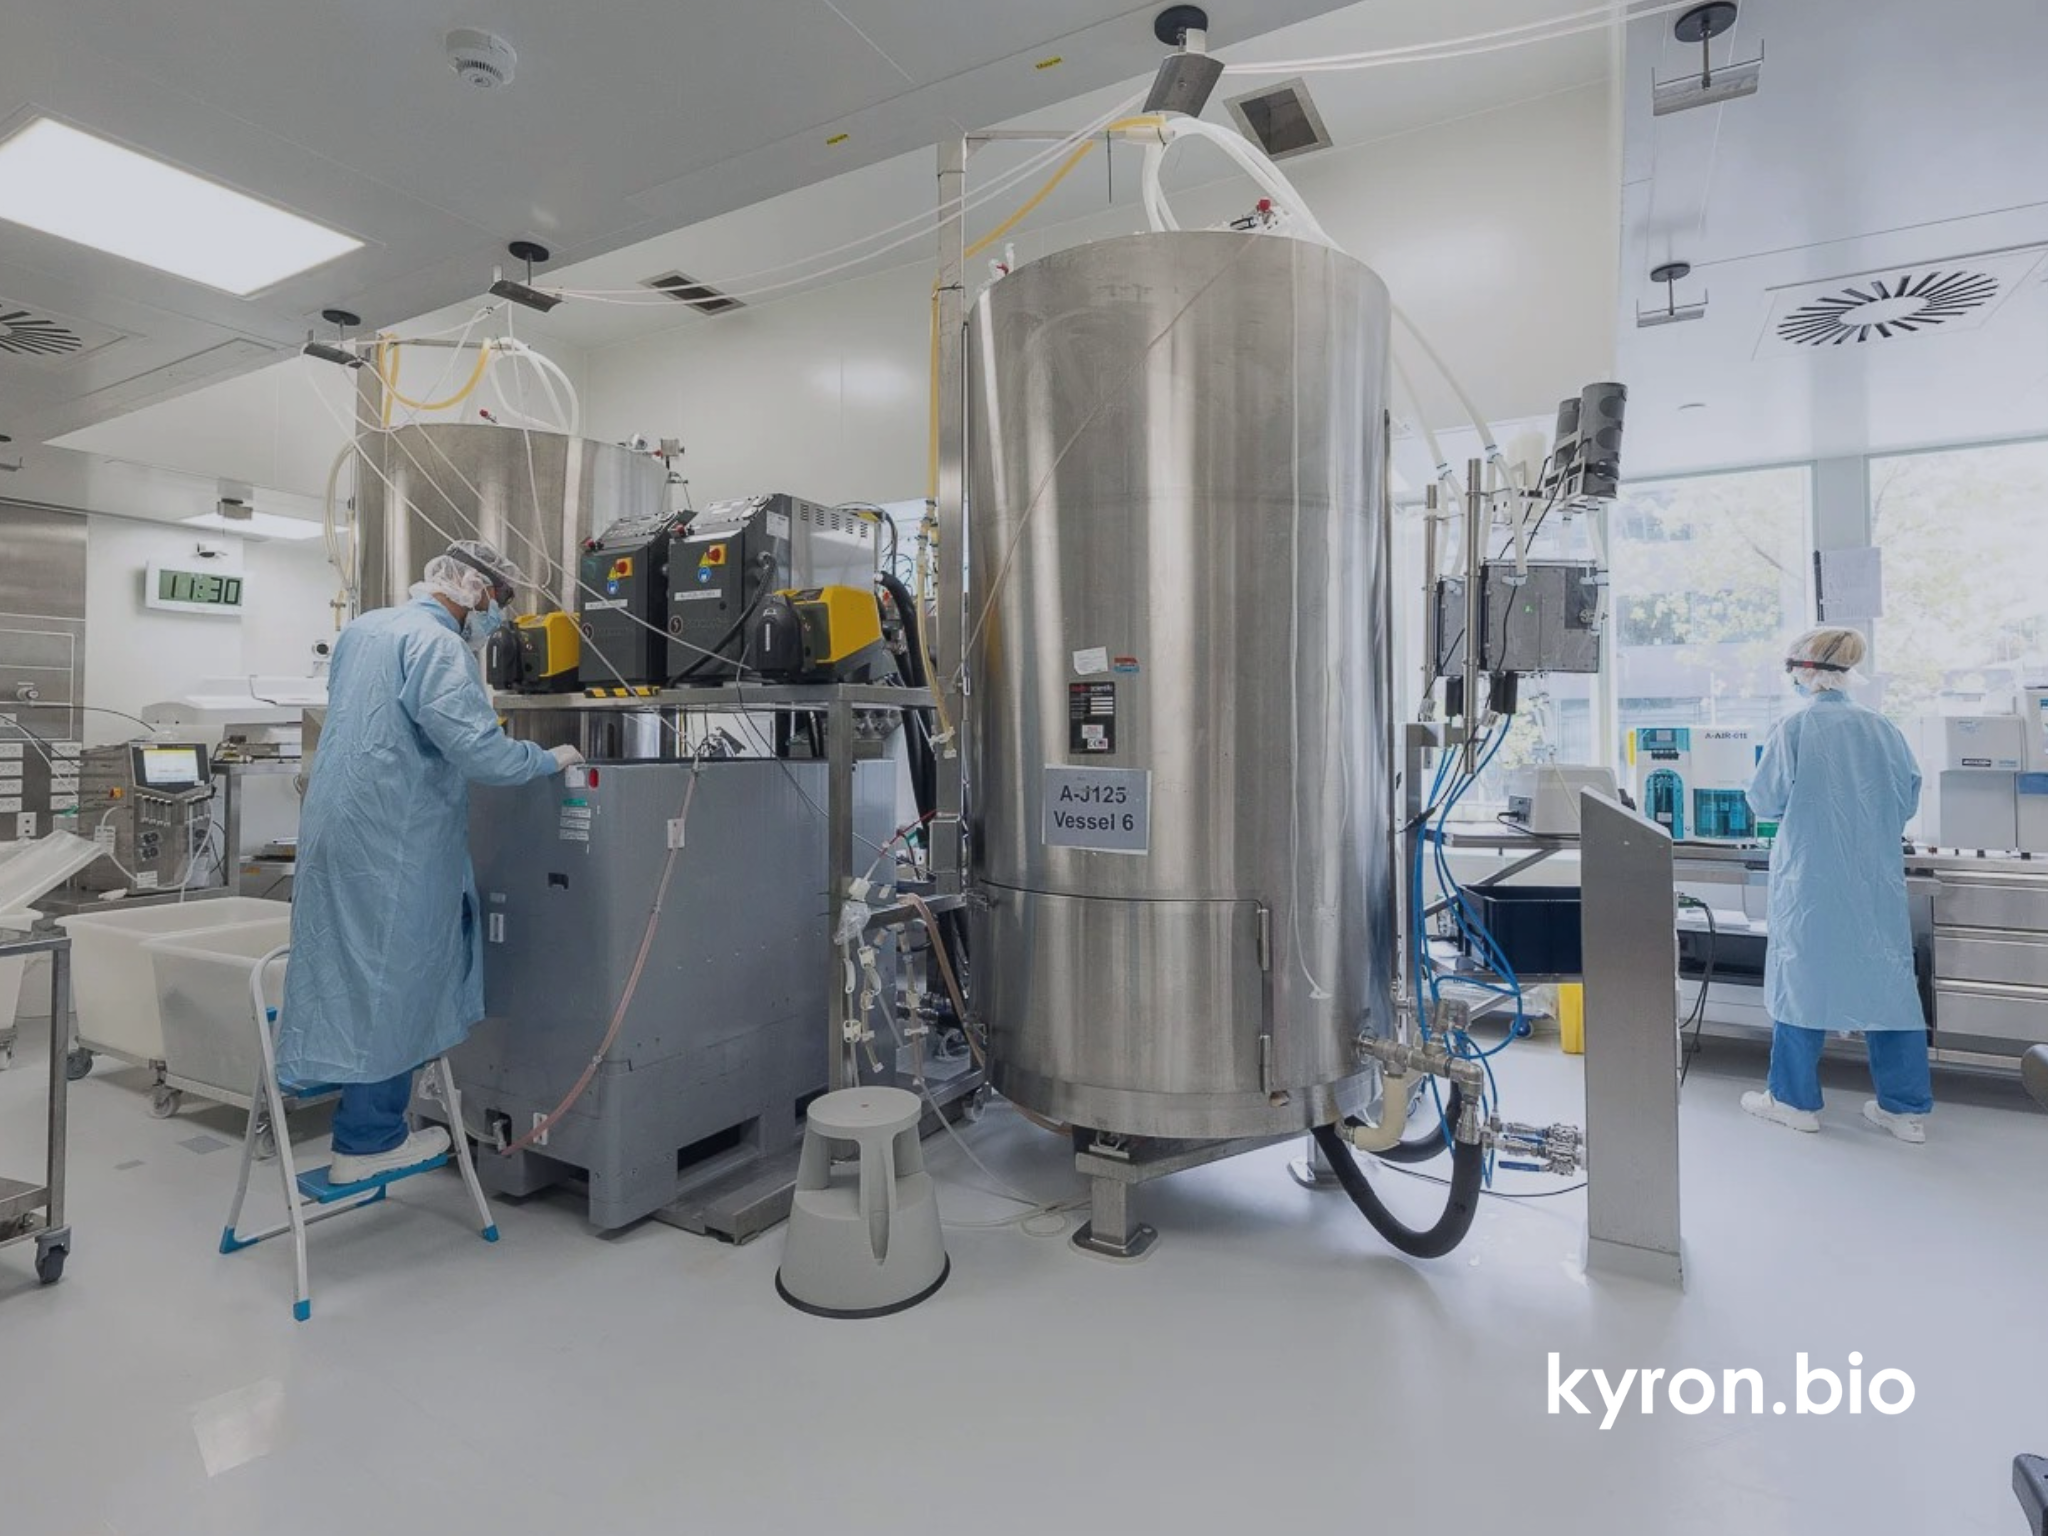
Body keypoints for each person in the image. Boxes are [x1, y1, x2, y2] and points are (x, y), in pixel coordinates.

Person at [277, 540, 583, 1183]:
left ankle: (349, 1111)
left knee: (345, 968)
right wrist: (547, 759)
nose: (499, 615)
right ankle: (367, 1142)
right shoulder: (439, 646)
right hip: (394, 840)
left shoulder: (365, 630)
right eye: (501, 599)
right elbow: (481, 752)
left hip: (336, 826)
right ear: (476, 588)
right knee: (393, 976)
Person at [1740, 626, 1932, 1142]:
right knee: (1889, 984)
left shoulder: (1795, 727)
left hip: (1812, 881)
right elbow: (1906, 799)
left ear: (1804, 670)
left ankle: (1793, 1101)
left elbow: (1764, 801)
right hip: (1872, 880)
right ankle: (1905, 1111)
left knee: (1803, 980)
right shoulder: (1883, 728)